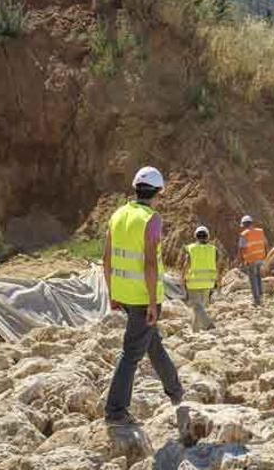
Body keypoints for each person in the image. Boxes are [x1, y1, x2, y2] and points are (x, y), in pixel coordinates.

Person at [103, 166, 183, 425]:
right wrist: (151, 302)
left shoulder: (117, 215)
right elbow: (149, 263)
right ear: (158, 192)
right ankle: (115, 411)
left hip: (124, 294)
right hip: (143, 297)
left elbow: (107, 258)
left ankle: (176, 392)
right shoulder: (152, 219)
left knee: (152, 343)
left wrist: (112, 292)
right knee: (132, 353)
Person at [180, 225, 221, 332]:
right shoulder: (213, 250)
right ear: (207, 236)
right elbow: (217, 266)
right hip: (208, 282)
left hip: (193, 282)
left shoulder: (191, 248)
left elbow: (186, 264)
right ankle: (195, 330)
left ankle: (208, 324)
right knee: (199, 307)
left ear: (196, 236)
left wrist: (182, 278)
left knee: (196, 306)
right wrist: (218, 281)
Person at [237, 215, 268, 306]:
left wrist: (241, 260)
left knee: (253, 279)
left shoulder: (244, 234)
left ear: (244, 225)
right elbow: (266, 244)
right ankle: (261, 295)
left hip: (251, 260)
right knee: (258, 277)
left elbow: (241, 249)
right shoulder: (260, 232)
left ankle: (257, 300)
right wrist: (266, 257)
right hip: (261, 258)